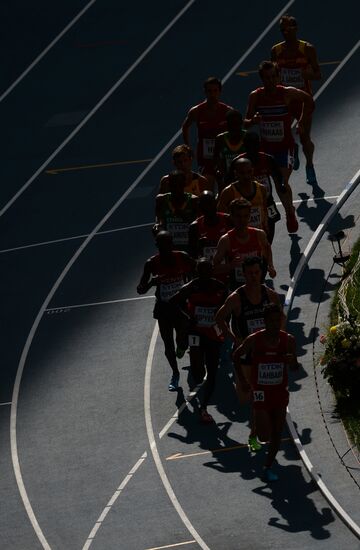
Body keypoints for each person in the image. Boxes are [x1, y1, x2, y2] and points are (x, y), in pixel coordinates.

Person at [216, 256, 284, 450]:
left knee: (263, 395)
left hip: (265, 353)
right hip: (245, 356)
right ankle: (256, 432)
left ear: (261, 273)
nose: (254, 277)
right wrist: (233, 338)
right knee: (251, 398)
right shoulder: (236, 297)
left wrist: (279, 338)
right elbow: (219, 318)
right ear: (243, 275)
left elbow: (281, 317)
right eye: (250, 273)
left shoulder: (269, 294)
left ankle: (258, 432)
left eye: (257, 272)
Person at [244, 60, 315, 233]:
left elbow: (308, 99)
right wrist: (253, 121)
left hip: (285, 146)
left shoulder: (287, 93)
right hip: (266, 148)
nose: (271, 80)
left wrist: (301, 121)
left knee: (281, 182)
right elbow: (245, 122)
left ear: (278, 77)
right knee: (265, 186)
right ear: (262, 79)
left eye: (274, 76)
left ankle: (289, 212)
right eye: (267, 78)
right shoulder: (255, 96)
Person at [233, 303, 298, 481]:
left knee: (277, 431)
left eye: (278, 320)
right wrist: (243, 380)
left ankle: (267, 466)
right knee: (264, 435)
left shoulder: (289, 340)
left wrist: (292, 362)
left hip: (279, 391)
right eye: (272, 321)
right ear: (265, 321)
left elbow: (295, 368)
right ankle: (255, 428)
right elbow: (236, 356)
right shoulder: (254, 339)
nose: (276, 324)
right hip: (261, 391)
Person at [170, 258, 227, 422]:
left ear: (211, 270)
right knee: (197, 368)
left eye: (207, 270)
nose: (204, 274)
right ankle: (184, 349)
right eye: (201, 270)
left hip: (213, 334)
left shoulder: (220, 288)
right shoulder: (191, 287)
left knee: (212, 372)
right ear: (196, 271)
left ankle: (203, 407)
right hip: (195, 332)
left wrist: (222, 320)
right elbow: (174, 302)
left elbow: (228, 309)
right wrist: (188, 316)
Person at [137, 231, 195, 391]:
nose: (165, 248)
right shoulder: (151, 263)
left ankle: (183, 345)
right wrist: (151, 283)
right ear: (157, 246)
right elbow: (140, 290)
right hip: (164, 308)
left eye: (167, 244)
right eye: (161, 245)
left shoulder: (182, 257)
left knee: (183, 338)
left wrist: (189, 283)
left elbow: (197, 270)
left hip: (182, 305)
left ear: (172, 244)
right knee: (168, 344)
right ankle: (175, 374)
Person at [271, 14, 321, 183]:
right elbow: (273, 75)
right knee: (283, 135)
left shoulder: (307, 49)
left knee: (305, 137)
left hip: (302, 99)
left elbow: (318, 74)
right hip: (284, 99)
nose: (284, 32)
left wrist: (307, 74)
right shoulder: (276, 51)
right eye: (282, 29)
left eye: (287, 28)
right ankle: (293, 148)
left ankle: (309, 164)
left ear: (295, 28)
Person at [232, 132, 285, 243]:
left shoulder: (268, 159)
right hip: (243, 206)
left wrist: (282, 186)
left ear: (259, 145)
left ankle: (266, 248)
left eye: (254, 145)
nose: (252, 149)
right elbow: (227, 183)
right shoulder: (237, 162)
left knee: (269, 228)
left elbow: (279, 179)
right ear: (245, 146)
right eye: (249, 146)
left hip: (267, 202)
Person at [213, 198, 276, 291]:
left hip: (257, 287)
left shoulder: (259, 234)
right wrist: (230, 266)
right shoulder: (226, 240)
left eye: (245, 216)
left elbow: (267, 247)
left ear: (250, 216)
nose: (242, 220)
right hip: (237, 289)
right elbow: (214, 268)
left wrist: (270, 266)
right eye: (238, 216)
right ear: (232, 217)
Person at [182, 77, 233, 187]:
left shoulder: (228, 111)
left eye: (215, 91)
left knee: (224, 189)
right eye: (209, 91)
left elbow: (236, 131)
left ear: (220, 92)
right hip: (205, 159)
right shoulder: (196, 111)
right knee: (207, 189)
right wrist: (187, 147)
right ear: (205, 92)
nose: (212, 94)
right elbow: (185, 127)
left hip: (222, 157)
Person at [217, 158, 269, 235]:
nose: (246, 176)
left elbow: (264, 210)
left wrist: (266, 226)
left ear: (253, 171)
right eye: (242, 173)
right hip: (238, 237)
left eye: (249, 172)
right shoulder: (228, 192)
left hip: (258, 236)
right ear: (236, 173)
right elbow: (220, 216)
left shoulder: (261, 189)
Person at [155, 170, 198, 252]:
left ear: (184, 184)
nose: (177, 188)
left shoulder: (194, 200)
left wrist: (184, 216)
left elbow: (200, 223)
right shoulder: (161, 200)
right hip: (169, 248)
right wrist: (157, 227)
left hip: (189, 247)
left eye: (180, 185)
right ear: (169, 185)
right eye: (174, 185)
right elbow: (158, 220)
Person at [188, 190, 231, 262]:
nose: (208, 207)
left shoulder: (228, 220)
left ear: (216, 203)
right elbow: (192, 256)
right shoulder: (194, 227)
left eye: (210, 203)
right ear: (200, 207)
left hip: (227, 268)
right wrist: (198, 247)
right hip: (206, 270)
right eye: (204, 204)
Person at [213, 109, 247, 193]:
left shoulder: (247, 137)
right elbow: (215, 158)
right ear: (227, 125)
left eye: (237, 124)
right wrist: (219, 171)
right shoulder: (220, 138)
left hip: (245, 175)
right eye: (232, 125)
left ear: (241, 123)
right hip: (228, 176)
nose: (235, 127)